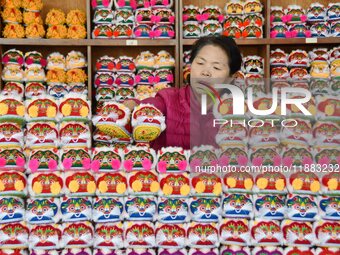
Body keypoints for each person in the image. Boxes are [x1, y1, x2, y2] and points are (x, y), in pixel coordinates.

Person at [124, 35, 242, 150]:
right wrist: (132, 107)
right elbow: (150, 106)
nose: (205, 72)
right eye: (200, 63)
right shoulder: (168, 99)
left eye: (216, 68)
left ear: (231, 77)